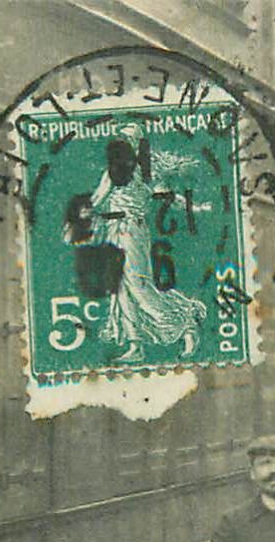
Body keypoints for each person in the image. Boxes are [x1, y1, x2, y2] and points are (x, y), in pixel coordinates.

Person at [68, 124, 208, 365]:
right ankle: (135, 345)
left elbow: (169, 197)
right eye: (121, 139)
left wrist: (194, 207)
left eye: (128, 139)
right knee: (120, 290)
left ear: (137, 144)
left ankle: (185, 325)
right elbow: (98, 199)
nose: (124, 144)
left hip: (132, 232)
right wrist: (84, 212)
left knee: (140, 288)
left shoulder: (146, 173)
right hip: (115, 232)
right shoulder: (114, 171)